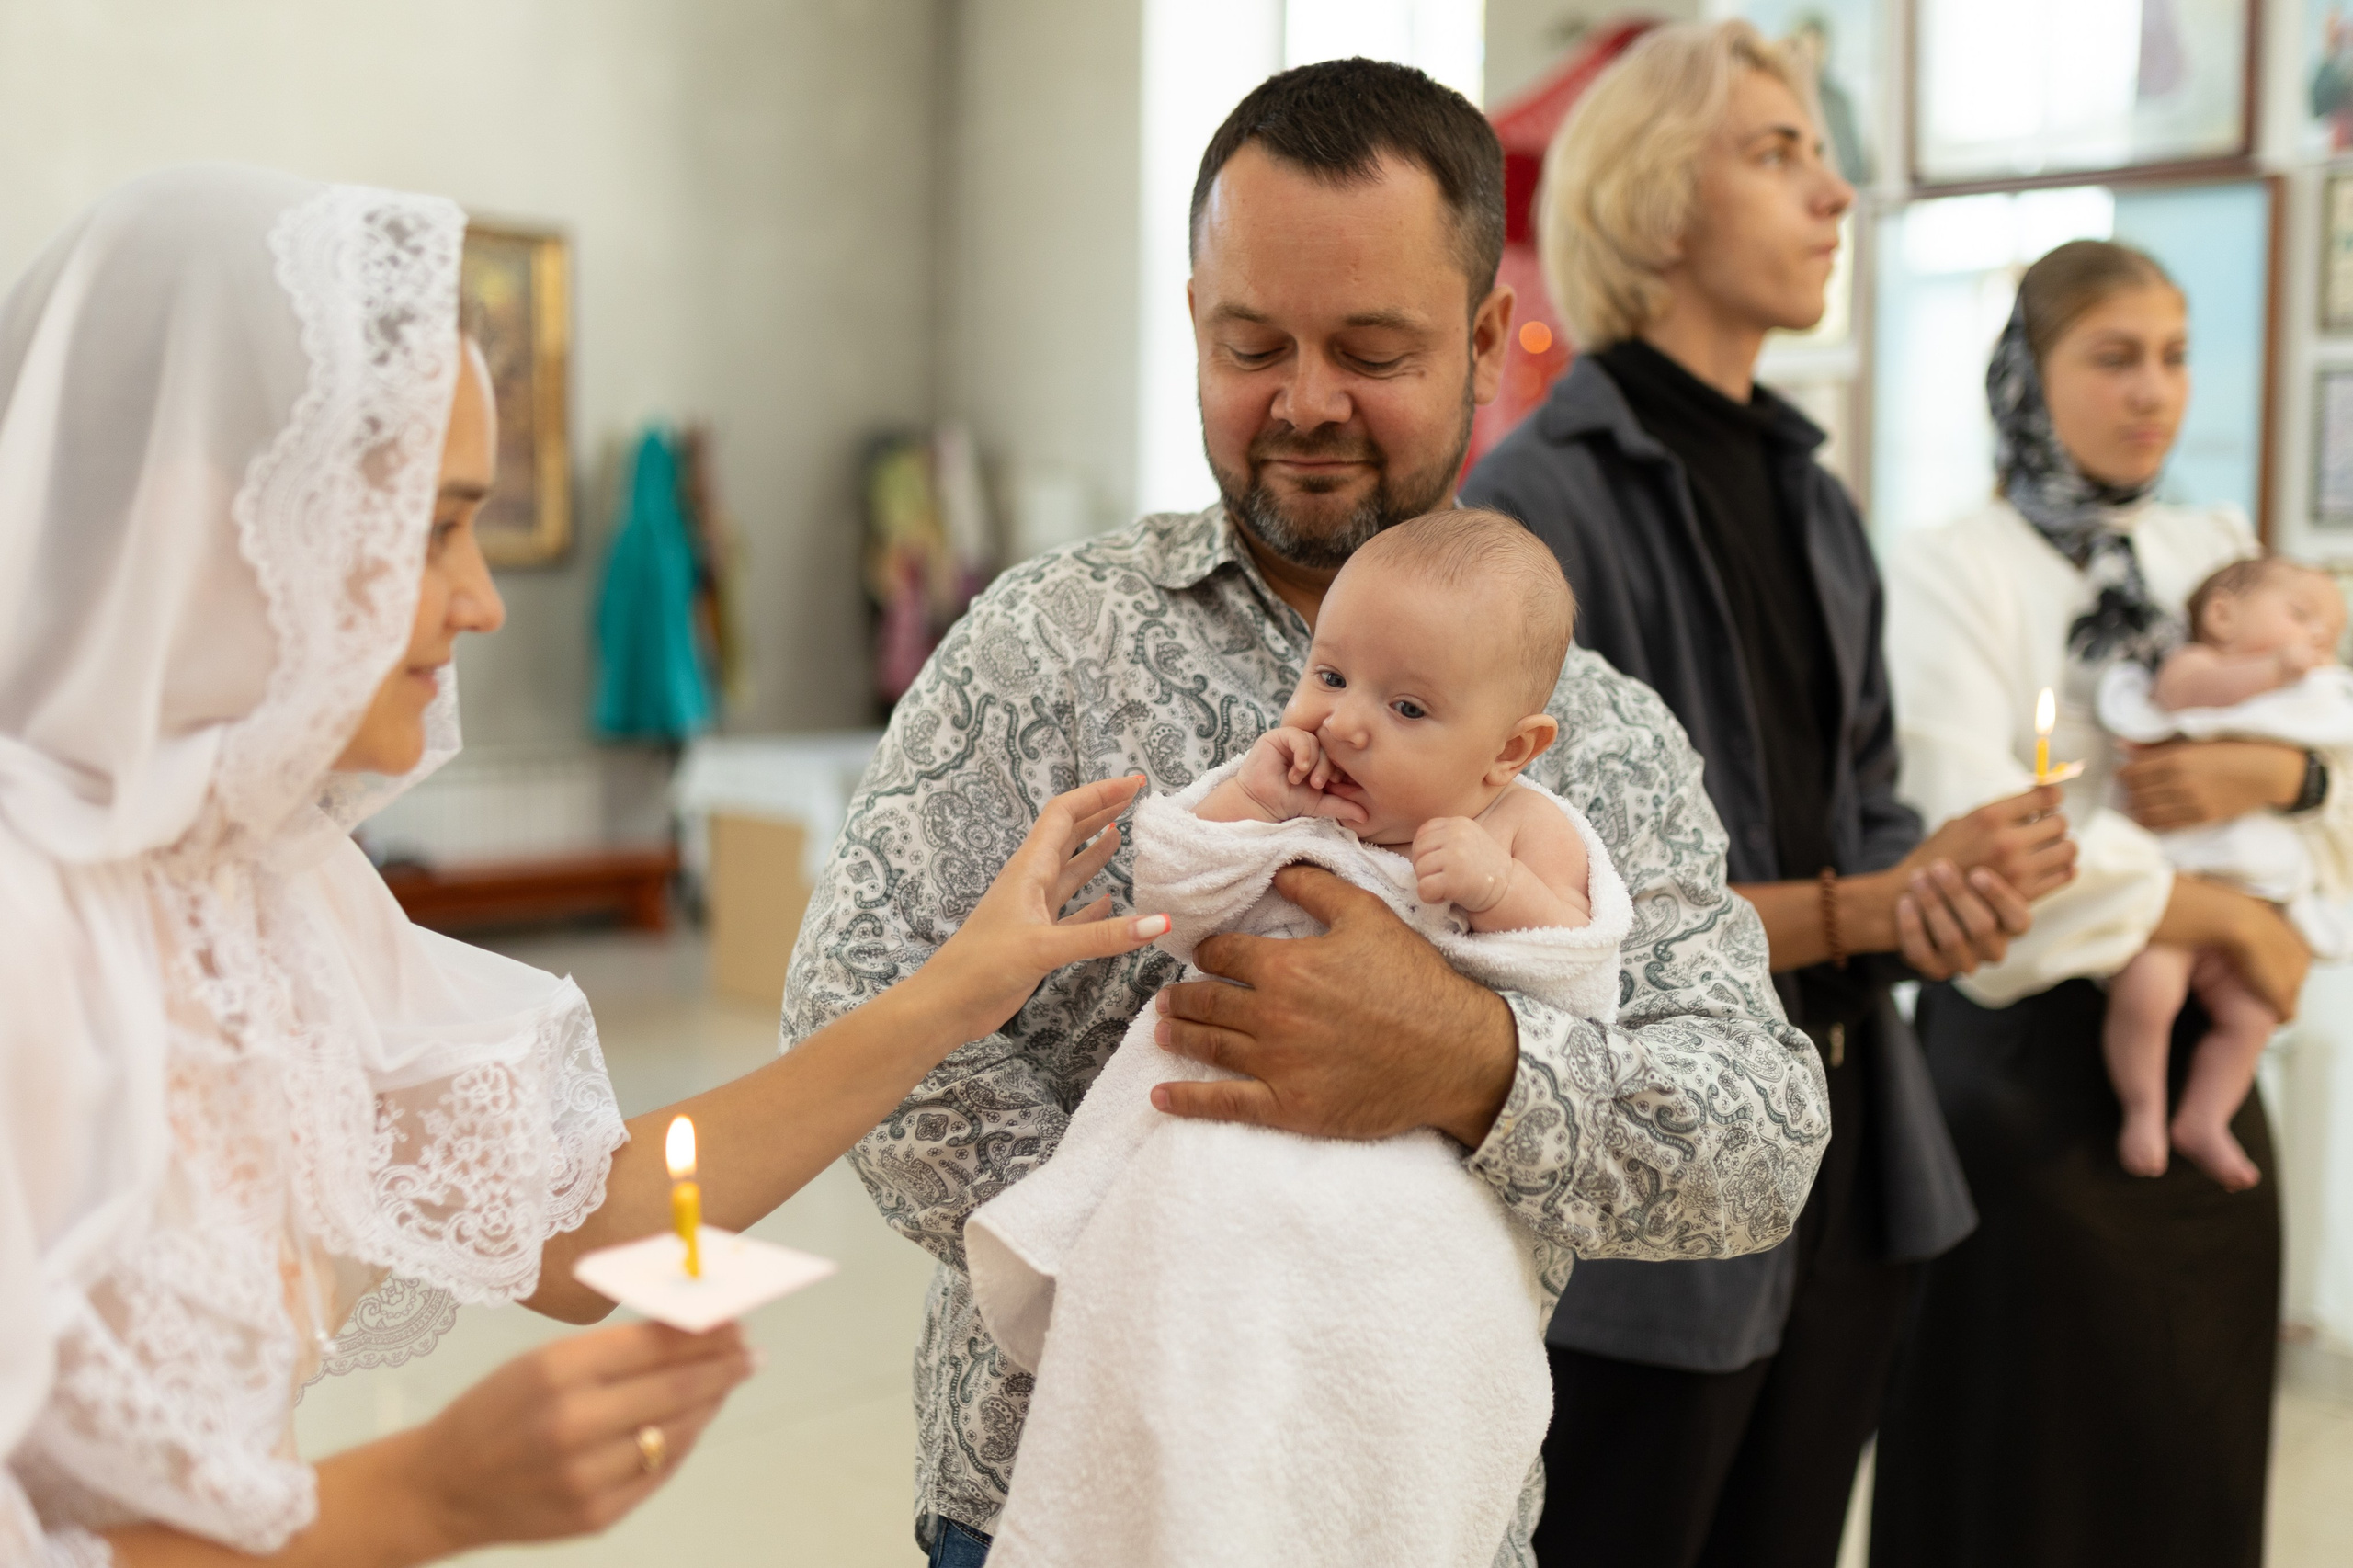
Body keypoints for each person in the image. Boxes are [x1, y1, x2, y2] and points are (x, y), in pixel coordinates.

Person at [0, 165, 1168, 1567]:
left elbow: (586, 1220)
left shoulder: (272, 892)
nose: (483, 597)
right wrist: (424, 1495)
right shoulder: (28, 925)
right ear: (222, 518)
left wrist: (949, 995)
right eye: (432, 528)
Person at [782, 59, 1826, 1568]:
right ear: (1194, 315)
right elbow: (852, 1018)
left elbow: (1760, 1143)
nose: (1306, 402)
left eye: (1372, 348)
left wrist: (1468, 1059)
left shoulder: (1597, 734)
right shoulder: (1051, 647)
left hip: (1418, 1495)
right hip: (1070, 1478)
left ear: (1483, 340)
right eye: (1251, 341)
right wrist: (1171, 1271)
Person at [1461, 23, 2075, 1567]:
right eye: (1780, 151)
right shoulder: (1540, 501)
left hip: (1851, 1170)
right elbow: (1557, 901)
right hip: (1646, 1217)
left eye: (1823, 153)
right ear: (1659, 200)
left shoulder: (1817, 495)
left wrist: (1935, 888)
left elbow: (1858, 800)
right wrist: (1871, 902)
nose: (1837, 194)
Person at [964, 510, 1632, 1567]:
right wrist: (1245, 801)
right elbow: (1175, 895)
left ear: (1509, 748)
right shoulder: (1296, 796)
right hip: (1206, 1169)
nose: (1347, 724)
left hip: (1400, 1188)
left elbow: (1582, 974)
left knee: (1382, 1361)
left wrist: (1499, 894)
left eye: (1407, 705)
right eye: (1330, 676)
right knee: (1179, 1349)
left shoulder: (1524, 828)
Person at [1872, 239, 2353, 1566]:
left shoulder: (2213, 544)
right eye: (2115, 356)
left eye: (2176, 355)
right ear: (2028, 376)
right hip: (2020, 1082)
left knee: (2190, 1463)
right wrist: (2232, 917)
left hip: (2205, 1075)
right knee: (2027, 1478)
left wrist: (2280, 768)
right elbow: (1975, 828)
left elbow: (2332, 769)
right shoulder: (1950, 564)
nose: (2155, 392)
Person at [2096, 558, 2353, 1189]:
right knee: (2147, 996)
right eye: (2300, 615)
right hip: (2171, 896)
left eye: (2329, 632)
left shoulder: (2310, 700)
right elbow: (2183, 698)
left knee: (2252, 1014)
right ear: (2222, 615)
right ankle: (2144, 1107)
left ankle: (2205, 1117)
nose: (2315, 640)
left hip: (2255, 900)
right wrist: (2272, 671)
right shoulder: (2193, 667)